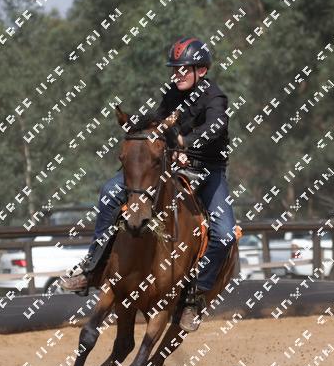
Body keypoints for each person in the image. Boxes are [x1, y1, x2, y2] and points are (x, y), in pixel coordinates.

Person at [60, 37, 236, 333]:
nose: (177, 74)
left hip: (208, 171)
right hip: (168, 166)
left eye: (183, 69)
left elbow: (215, 128)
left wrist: (185, 144)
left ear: (202, 71)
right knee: (110, 192)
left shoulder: (215, 97)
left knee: (226, 234)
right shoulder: (170, 94)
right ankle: (92, 268)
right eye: (175, 69)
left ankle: (194, 298)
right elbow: (157, 126)